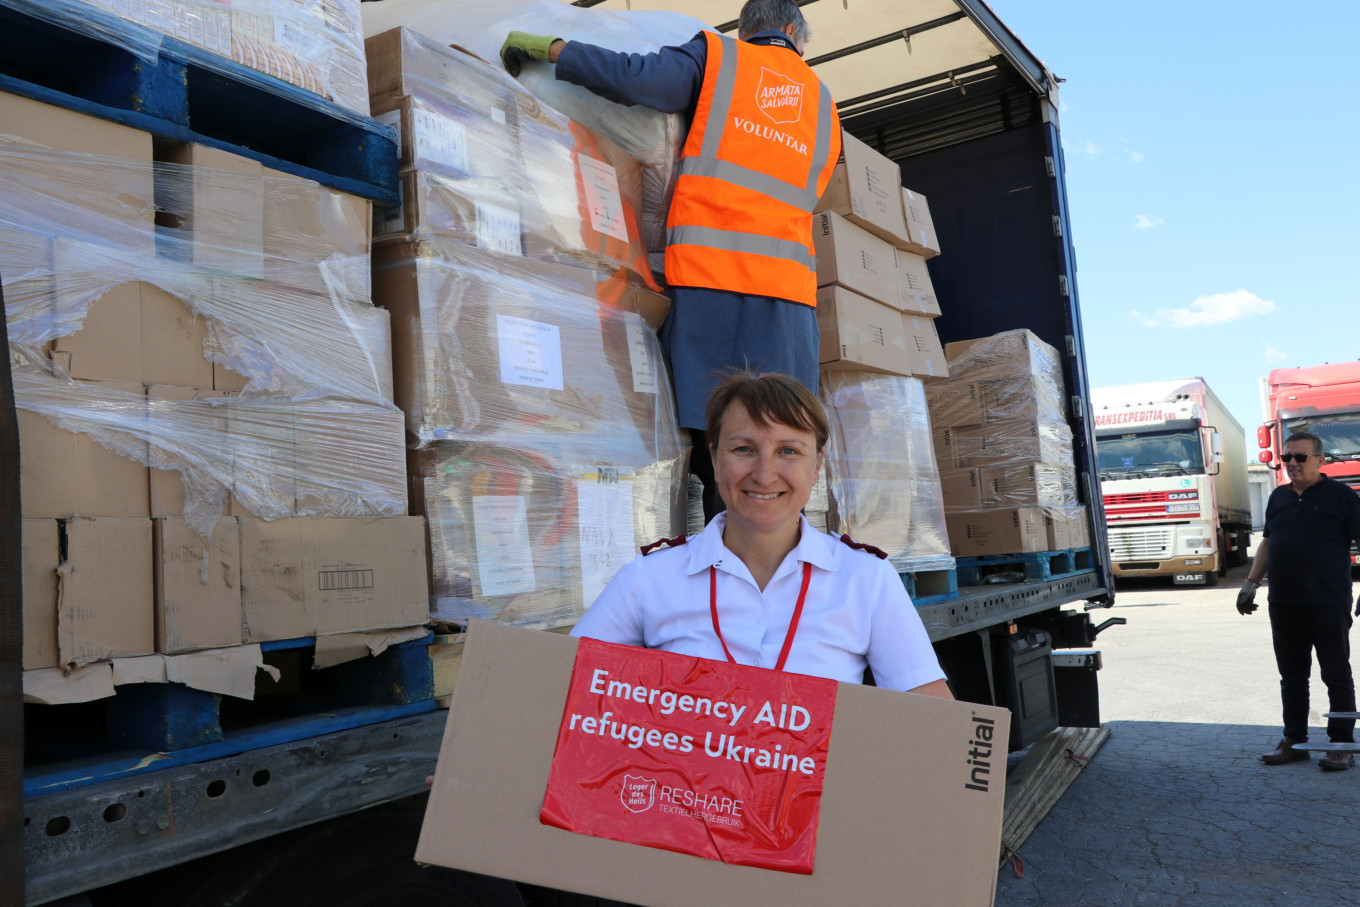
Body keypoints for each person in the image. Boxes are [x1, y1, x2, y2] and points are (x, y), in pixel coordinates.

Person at [500, 0, 842, 521]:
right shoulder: (825, 105)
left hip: (713, 284)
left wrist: (556, 51)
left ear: (746, 29)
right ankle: (777, 569)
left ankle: (718, 565)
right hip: (790, 298)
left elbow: (637, 80)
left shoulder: (721, 59)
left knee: (719, 445)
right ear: (794, 32)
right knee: (784, 439)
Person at [572, 372, 952, 697]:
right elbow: (560, 688)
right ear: (716, 460)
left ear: (818, 465)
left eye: (788, 450)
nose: (765, 474)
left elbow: (933, 726)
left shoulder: (866, 579)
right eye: (743, 449)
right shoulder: (649, 578)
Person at [1238, 430, 1360, 770]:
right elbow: (1268, 543)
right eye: (1286, 457)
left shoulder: (1341, 496)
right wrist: (1250, 582)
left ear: (1320, 461)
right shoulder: (1278, 497)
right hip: (1285, 603)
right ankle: (1295, 740)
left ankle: (1342, 744)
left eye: (1300, 457)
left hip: (1328, 602)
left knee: (1336, 675)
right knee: (1292, 676)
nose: (1292, 463)